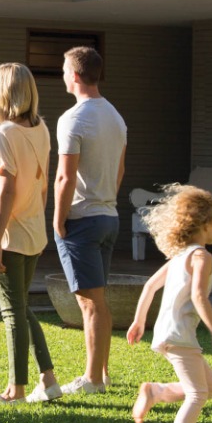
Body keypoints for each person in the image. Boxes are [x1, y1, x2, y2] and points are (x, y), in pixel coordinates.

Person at [126, 184, 212, 423]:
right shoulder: (201, 257)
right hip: (179, 335)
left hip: (167, 333)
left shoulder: (178, 257)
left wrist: (139, 320)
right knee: (197, 394)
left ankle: (156, 392)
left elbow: (149, 287)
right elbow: (198, 296)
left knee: (210, 387)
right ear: (205, 225)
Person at [0, 63, 61, 405]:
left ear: (4, 93)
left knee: (12, 312)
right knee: (22, 306)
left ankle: (16, 391)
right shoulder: (41, 128)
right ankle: (50, 380)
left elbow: (4, 192)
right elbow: (42, 185)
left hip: (12, 236)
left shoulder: (5, 134)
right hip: (33, 232)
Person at [52, 45, 126, 395]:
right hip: (109, 216)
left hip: (82, 219)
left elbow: (65, 177)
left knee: (89, 302)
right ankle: (102, 373)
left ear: (77, 76)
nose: (63, 75)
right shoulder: (115, 115)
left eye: (65, 70)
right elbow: (120, 169)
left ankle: (93, 379)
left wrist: (58, 218)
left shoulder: (73, 118)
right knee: (97, 300)